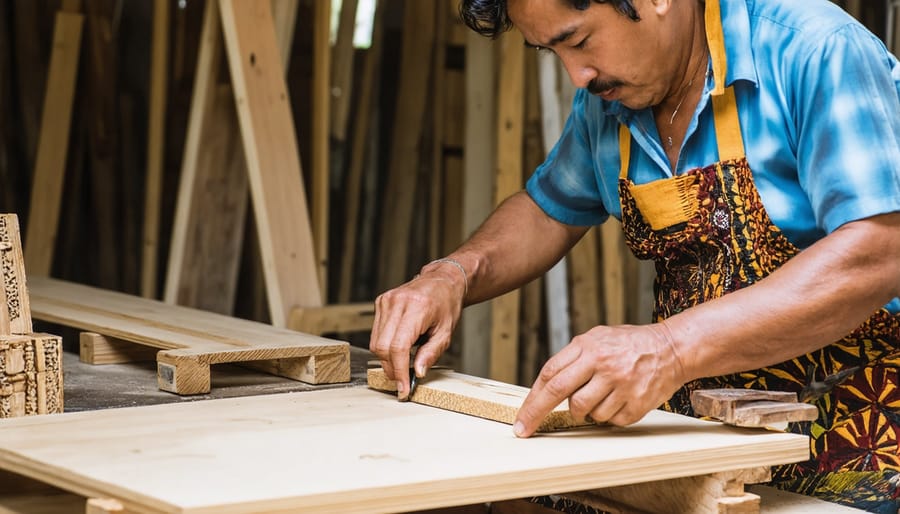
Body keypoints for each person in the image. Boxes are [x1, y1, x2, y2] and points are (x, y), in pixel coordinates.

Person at [369, 0, 900, 510]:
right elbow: (548, 208)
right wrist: (452, 274)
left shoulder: (813, 49)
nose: (577, 75)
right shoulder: (611, 100)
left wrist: (669, 349)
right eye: (550, 52)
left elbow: (880, 250)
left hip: (870, 425)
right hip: (705, 430)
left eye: (577, 41)